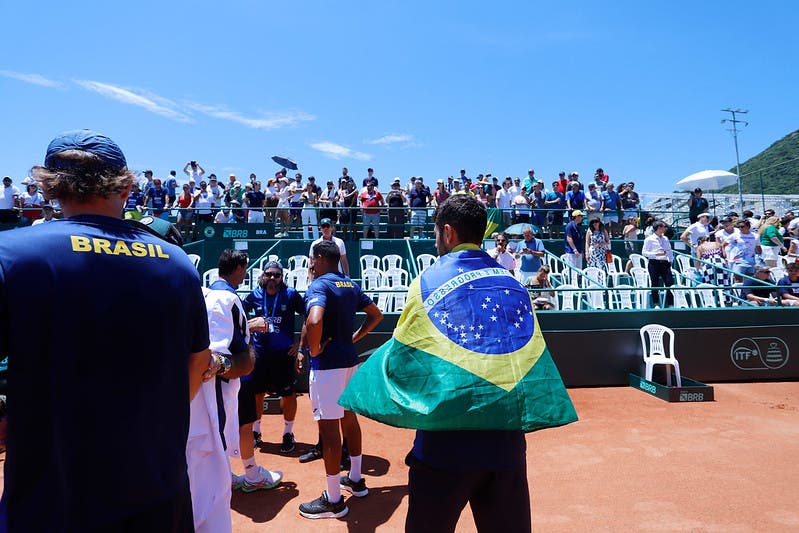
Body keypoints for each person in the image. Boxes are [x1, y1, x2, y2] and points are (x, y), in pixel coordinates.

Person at [0, 130, 211, 531]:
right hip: (157, 492)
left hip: (52, 500)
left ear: (47, 185)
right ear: (126, 186)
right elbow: (198, 362)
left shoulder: (13, 253)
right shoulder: (178, 263)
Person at [298, 240, 384, 519]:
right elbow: (376, 315)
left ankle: (334, 500)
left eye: (313, 259)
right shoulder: (350, 284)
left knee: (330, 432)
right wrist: (356, 337)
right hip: (349, 361)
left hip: (327, 366)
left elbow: (314, 321)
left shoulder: (319, 285)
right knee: (349, 419)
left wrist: (313, 349)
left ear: (322, 257)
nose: (311, 263)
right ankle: (356, 480)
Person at [241, 263, 306, 455]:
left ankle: (288, 433)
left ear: (282, 277)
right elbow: (239, 315)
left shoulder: (291, 294)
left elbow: (308, 317)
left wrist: (300, 346)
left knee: (288, 395)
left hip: (283, 355)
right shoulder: (255, 295)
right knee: (257, 394)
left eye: (276, 275)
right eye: (269, 274)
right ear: (263, 275)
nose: (272, 279)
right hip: (260, 354)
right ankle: (255, 432)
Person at [642, 220, 674, 308]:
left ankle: (671, 304)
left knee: (669, 283)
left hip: (665, 263)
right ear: (659, 228)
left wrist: (670, 260)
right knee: (654, 283)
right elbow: (644, 252)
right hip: (654, 263)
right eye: (664, 227)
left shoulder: (665, 238)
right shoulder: (649, 239)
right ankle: (656, 303)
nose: (665, 228)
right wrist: (655, 254)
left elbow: (669, 251)